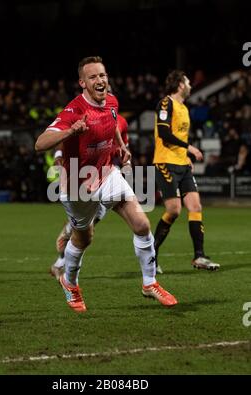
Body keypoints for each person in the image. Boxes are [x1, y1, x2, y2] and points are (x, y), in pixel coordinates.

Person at [35, 56, 177, 312]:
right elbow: (40, 143)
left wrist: (122, 149)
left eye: (103, 75)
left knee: (142, 223)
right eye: (93, 77)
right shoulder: (73, 111)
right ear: (82, 83)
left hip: (106, 172)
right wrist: (70, 132)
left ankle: (149, 282)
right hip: (77, 181)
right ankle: (69, 281)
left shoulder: (111, 101)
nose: (100, 80)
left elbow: (111, 124)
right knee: (84, 238)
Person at [153, 70, 220, 273]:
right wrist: (189, 148)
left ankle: (199, 256)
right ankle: (151, 254)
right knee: (174, 210)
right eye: (188, 81)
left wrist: (186, 156)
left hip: (182, 164)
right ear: (181, 84)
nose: (191, 84)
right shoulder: (166, 103)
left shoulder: (184, 107)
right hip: (165, 163)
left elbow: (178, 136)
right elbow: (164, 133)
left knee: (195, 206)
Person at [50, 113, 130, 280]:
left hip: (108, 172)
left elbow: (123, 145)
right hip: (85, 173)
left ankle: (62, 256)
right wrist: (58, 157)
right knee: (86, 224)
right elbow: (63, 137)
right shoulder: (83, 117)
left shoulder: (121, 121)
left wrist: (126, 163)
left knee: (94, 219)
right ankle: (62, 258)